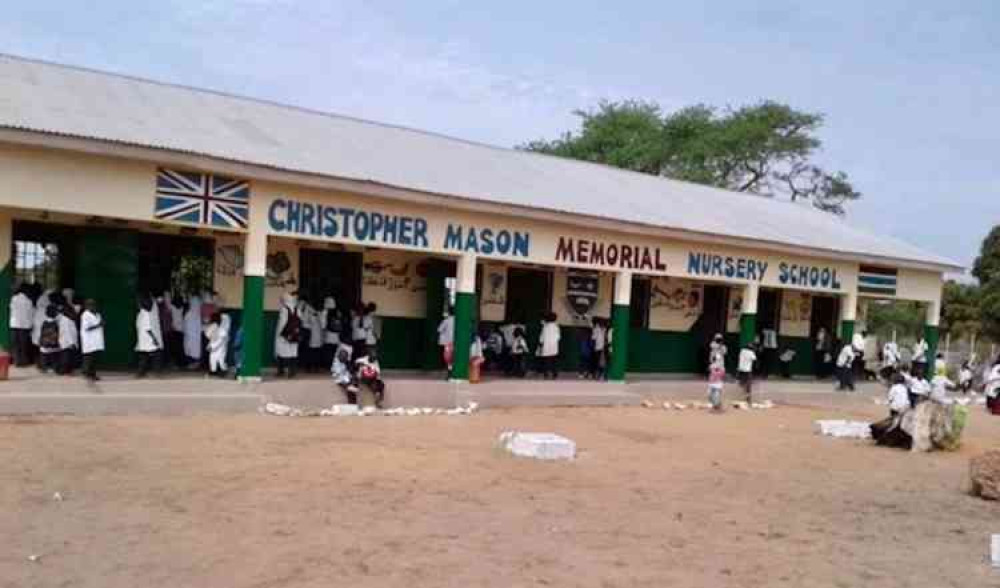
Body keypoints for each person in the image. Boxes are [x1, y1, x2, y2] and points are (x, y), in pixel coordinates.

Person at [870, 373, 913, 448]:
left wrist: (879, 402)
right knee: (899, 424)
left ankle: (890, 439)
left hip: (896, 408)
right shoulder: (904, 388)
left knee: (893, 425)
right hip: (905, 408)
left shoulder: (894, 388)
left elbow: (890, 399)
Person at [135, 295, 163, 378]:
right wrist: (154, 339)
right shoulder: (146, 314)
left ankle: (141, 373)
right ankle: (156, 372)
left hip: (143, 338)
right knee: (156, 355)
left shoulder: (141, 313)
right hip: (148, 338)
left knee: (144, 356)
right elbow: (148, 328)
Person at [274, 292, 301, 378]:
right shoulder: (297, 309)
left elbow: (282, 322)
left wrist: (279, 334)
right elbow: (300, 320)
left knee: (281, 353)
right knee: (293, 353)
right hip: (294, 335)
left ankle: (280, 371)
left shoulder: (284, 309)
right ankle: (292, 372)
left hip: (284, 335)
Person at [9, 284, 34, 367]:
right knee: (24, 345)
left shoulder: (14, 298)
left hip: (15, 324)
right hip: (25, 326)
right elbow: (31, 314)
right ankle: (23, 362)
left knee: (15, 344)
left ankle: (16, 361)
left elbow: (11, 308)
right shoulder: (29, 301)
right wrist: (31, 326)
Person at [79, 299, 105, 381]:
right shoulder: (85, 315)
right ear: (87, 306)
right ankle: (87, 373)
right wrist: (99, 325)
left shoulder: (98, 314)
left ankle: (92, 374)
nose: (93, 306)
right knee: (88, 359)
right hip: (89, 341)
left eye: (94, 304)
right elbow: (87, 328)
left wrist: (101, 324)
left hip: (96, 340)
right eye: (90, 305)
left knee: (94, 359)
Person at [37, 304, 61, 373]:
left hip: (44, 346)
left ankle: (44, 367)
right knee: (54, 357)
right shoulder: (56, 323)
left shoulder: (44, 323)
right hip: (54, 346)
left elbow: (42, 334)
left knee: (44, 356)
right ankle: (53, 367)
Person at [204, 311, 230, 377]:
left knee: (220, 359)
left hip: (220, 347)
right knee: (213, 358)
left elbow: (220, 341)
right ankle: (213, 371)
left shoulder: (222, 330)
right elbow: (210, 336)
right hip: (215, 346)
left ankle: (223, 372)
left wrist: (212, 346)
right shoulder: (214, 326)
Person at [320, 297, 342, 370]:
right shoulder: (338, 312)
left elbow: (323, 325)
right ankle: (334, 365)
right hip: (336, 335)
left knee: (328, 351)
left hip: (328, 334)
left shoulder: (325, 312)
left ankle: (328, 365)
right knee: (334, 351)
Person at [57, 302, 79, 375]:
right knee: (66, 358)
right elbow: (67, 333)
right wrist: (71, 343)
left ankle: (66, 370)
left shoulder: (68, 319)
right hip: (67, 343)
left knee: (67, 357)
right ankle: (64, 371)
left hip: (68, 342)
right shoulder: (65, 320)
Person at [537, 312, 561, 379]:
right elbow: (558, 337)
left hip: (546, 346)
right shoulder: (556, 327)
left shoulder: (545, 327)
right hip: (554, 346)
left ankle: (546, 374)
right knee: (554, 361)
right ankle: (555, 374)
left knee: (546, 361)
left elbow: (541, 337)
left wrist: (541, 343)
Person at [182, 294, 203, 366]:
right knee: (191, 350)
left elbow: (199, 326)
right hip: (191, 336)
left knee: (194, 350)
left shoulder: (196, 313)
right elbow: (186, 327)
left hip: (195, 336)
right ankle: (192, 363)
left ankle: (195, 363)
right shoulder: (189, 314)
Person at [167, 293, 186, 368]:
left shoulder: (173, 308)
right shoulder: (183, 308)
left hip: (175, 330)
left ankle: (177, 363)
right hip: (181, 330)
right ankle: (181, 363)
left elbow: (168, 303)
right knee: (181, 347)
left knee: (175, 348)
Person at [437, 307, 455, 377]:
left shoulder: (446, 320)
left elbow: (439, 329)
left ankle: (449, 371)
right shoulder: (460, 321)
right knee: (454, 357)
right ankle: (453, 370)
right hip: (457, 342)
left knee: (448, 358)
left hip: (448, 342)